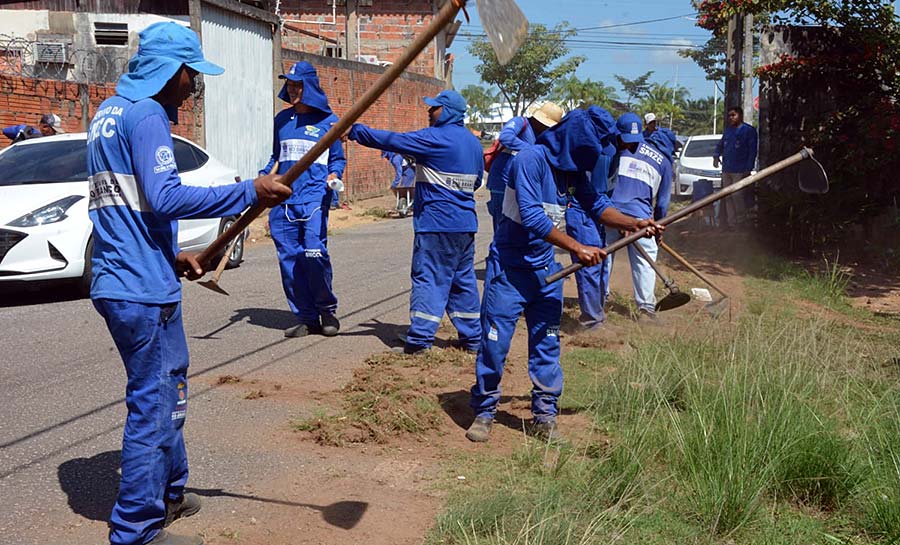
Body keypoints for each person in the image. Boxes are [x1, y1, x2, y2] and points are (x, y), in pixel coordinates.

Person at [86, 22, 291, 545]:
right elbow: (165, 196)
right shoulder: (147, 113)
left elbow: (126, 206)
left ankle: (171, 493)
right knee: (154, 405)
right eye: (190, 76)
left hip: (129, 275)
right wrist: (248, 191)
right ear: (171, 71)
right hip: (140, 290)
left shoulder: (107, 113)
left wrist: (172, 255)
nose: (193, 87)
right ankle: (137, 531)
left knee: (169, 389)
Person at [466, 107, 663, 443]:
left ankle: (545, 414)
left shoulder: (572, 172)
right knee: (495, 345)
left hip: (547, 272)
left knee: (547, 344)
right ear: (574, 139)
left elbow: (598, 205)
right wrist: (577, 246)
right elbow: (530, 215)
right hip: (510, 271)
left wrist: (634, 223)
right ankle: (485, 410)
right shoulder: (529, 159)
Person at [348, 90, 483, 354]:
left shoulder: (434, 138)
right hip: (465, 226)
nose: (428, 112)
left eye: (433, 108)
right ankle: (473, 339)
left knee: (429, 278)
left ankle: (419, 340)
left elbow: (393, 140)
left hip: (436, 225)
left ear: (447, 111)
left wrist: (355, 131)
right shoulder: (473, 143)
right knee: (461, 281)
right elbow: (476, 181)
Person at [260, 61, 347, 338]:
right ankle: (307, 318)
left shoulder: (329, 123)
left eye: (298, 85)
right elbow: (276, 158)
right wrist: (263, 177)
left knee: (313, 254)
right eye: (290, 84)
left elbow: (337, 159)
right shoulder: (281, 120)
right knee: (290, 260)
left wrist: (334, 175)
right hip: (283, 202)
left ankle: (326, 310)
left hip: (313, 199)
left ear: (310, 87)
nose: (293, 89)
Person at [606, 113, 673, 322]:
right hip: (642, 219)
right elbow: (661, 205)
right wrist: (658, 228)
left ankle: (598, 300)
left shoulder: (612, 150)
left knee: (604, 256)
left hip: (609, 213)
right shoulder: (664, 162)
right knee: (645, 262)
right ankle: (646, 308)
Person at [485, 102, 563, 231]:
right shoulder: (521, 123)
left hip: (522, 187)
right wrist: (531, 150)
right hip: (502, 185)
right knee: (501, 228)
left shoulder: (544, 136)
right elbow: (506, 137)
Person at [713, 106, 758, 228]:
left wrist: (748, 168)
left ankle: (741, 221)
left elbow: (752, 151)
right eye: (729, 116)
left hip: (740, 169)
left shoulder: (749, 131)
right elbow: (720, 145)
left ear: (740, 116)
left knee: (737, 195)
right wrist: (716, 156)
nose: (731, 118)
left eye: (733, 115)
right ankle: (732, 223)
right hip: (727, 168)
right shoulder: (728, 131)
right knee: (727, 196)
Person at [383, 150, 415, 215]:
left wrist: (394, 185)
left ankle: (412, 204)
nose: (386, 158)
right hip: (406, 171)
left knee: (405, 188)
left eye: (386, 156)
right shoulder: (395, 156)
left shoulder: (395, 159)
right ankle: (407, 204)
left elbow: (399, 174)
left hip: (409, 172)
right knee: (403, 191)